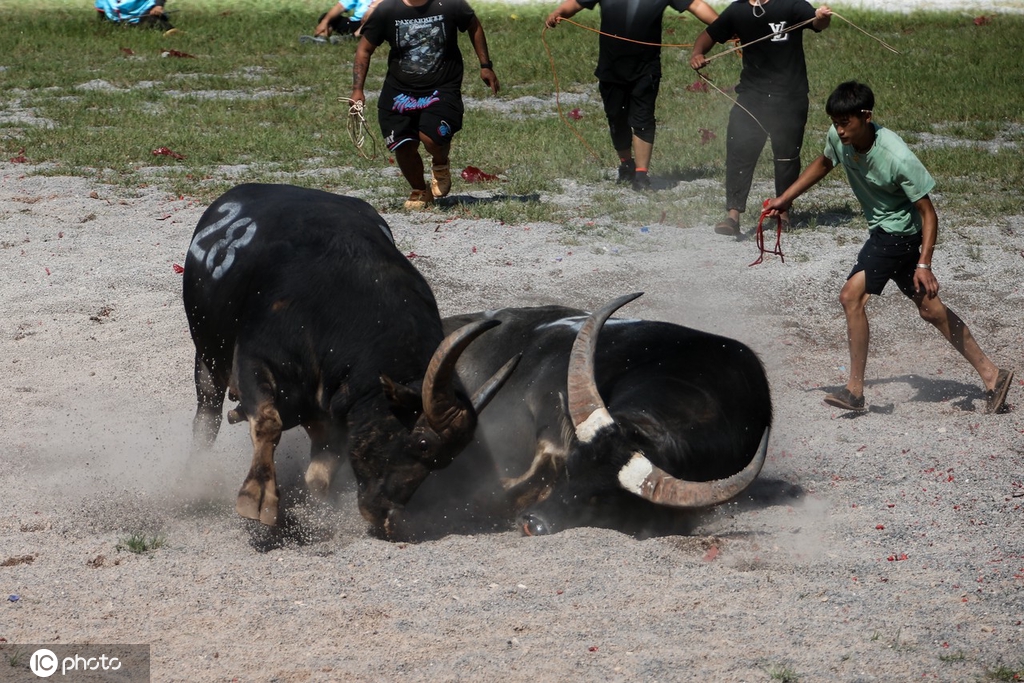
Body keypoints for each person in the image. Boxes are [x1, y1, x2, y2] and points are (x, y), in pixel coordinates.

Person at [765, 81, 1015, 415]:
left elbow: (929, 213)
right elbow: (824, 162)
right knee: (931, 310)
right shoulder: (839, 137)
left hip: (897, 235)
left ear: (866, 116)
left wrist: (924, 264)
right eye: (836, 123)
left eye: (846, 123)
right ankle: (994, 376)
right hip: (888, 233)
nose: (840, 131)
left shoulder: (897, 156)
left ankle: (854, 391)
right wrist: (785, 198)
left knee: (851, 296)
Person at [545, 0, 719, 192]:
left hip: (646, 68)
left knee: (643, 119)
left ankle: (642, 174)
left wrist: (723, 25)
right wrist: (559, 12)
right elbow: (576, 3)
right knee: (616, 118)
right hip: (610, 68)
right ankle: (626, 163)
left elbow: (696, 5)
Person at [690, 0, 831, 235]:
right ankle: (733, 216)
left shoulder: (790, 4)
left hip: (790, 97)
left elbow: (817, 23)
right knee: (739, 150)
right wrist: (698, 53)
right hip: (751, 96)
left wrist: (822, 17)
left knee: (786, 155)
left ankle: (783, 212)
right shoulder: (738, 10)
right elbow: (709, 35)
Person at [351, 0, 498, 210]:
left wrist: (485, 65)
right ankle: (420, 190)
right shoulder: (386, 10)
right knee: (403, 145)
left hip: (442, 87)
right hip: (399, 90)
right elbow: (364, 50)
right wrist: (358, 89)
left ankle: (440, 162)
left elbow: (473, 24)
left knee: (432, 139)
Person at [95, 0, 172, 29]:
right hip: (118, 18)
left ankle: (169, 29)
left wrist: (158, 5)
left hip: (144, 9)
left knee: (151, 21)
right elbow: (102, 7)